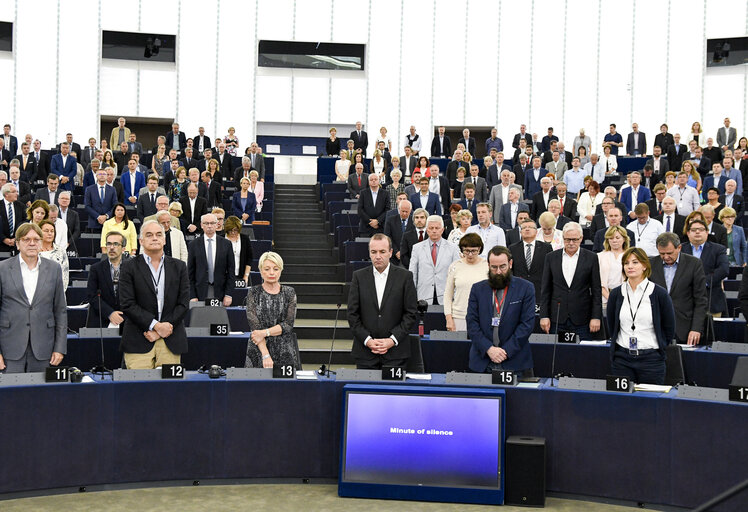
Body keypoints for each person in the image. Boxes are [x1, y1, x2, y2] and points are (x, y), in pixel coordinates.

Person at [119, 220, 189, 369]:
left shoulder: (179, 267)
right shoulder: (128, 267)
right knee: (140, 390)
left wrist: (162, 330)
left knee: (170, 391)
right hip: (139, 339)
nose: (155, 238)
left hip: (171, 340)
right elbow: (127, 304)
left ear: (164, 239)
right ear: (141, 241)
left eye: (159, 234)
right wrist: (156, 325)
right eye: (149, 235)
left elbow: (183, 304)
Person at [0, 223, 66, 372]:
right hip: (10, 347)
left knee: (41, 394)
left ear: (41, 243)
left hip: (44, 348)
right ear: (17, 244)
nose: (31, 243)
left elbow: (60, 310)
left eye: (36, 239)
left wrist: (60, 347)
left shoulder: (54, 269)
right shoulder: (2, 269)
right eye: (26, 239)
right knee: (10, 394)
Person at [347, 233, 417, 369]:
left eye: (382, 252)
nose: (378, 256)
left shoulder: (405, 277)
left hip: (396, 354)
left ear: (390, 252)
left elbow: (410, 314)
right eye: (373, 252)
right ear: (369, 253)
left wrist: (392, 340)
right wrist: (368, 341)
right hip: (365, 353)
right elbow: (352, 314)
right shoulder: (358, 277)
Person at [607, 248, 675, 384]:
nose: (630, 266)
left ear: (644, 266)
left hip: (651, 360)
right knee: (623, 403)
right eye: (626, 263)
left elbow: (669, 328)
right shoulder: (616, 293)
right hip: (622, 360)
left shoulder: (659, 293)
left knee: (650, 403)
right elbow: (612, 324)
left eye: (635, 262)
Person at [466, 245, 536, 376]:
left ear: (510, 264)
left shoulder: (526, 288)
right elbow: (472, 323)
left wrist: (505, 351)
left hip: (514, 361)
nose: (498, 272)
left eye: (502, 266)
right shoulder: (477, 289)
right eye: (494, 267)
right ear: (488, 265)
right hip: (483, 361)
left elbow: (527, 325)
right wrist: (489, 349)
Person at [540, 222, 602, 339]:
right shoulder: (551, 257)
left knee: (582, 355)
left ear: (581, 238)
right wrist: (544, 315)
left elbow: (596, 290)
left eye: (575, 239)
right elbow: (545, 290)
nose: (571, 243)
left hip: (582, 318)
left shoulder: (592, 257)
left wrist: (596, 317)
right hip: (557, 318)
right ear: (563, 238)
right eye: (568, 239)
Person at [649, 232, 707, 345]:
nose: (666, 257)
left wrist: (696, 328)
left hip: (684, 329)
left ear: (679, 248)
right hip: (655, 329)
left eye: (669, 253)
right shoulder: (650, 264)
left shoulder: (694, 264)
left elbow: (701, 300)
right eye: (662, 253)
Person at [244, 251, 300, 369]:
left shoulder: (289, 292)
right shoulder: (253, 293)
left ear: (281, 270)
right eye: (267, 269)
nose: (271, 273)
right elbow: (255, 329)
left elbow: (288, 325)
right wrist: (265, 355)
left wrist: (265, 332)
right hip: (259, 347)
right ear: (260, 271)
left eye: (275, 269)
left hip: (284, 349)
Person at [681, 218, 729, 317]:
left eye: (701, 229)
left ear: (707, 232)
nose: (697, 232)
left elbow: (724, 269)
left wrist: (703, 282)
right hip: (685, 302)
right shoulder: (680, 249)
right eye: (693, 230)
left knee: (713, 331)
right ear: (688, 233)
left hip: (711, 301)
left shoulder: (718, 249)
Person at [409, 215, 460, 305]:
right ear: (427, 229)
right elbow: (413, 273)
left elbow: (457, 274)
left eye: (437, 228)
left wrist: (455, 295)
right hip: (423, 296)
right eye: (431, 228)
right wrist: (413, 295)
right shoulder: (417, 248)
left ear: (442, 229)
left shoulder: (453, 248)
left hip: (446, 296)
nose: (434, 230)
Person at [187, 213, 234, 306]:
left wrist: (228, 294)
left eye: (212, 223)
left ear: (217, 224)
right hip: (200, 291)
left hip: (221, 291)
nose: (209, 226)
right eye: (206, 223)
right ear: (201, 225)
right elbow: (190, 273)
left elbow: (231, 271)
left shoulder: (226, 244)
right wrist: (192, 295)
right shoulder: (193, 244)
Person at [86, 231, 126, 327]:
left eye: (116, 244)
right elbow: (92, 296)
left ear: (123, 248)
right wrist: (110, 313)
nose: (111, 247)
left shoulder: (132, 268)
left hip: (126, 320)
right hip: (101, 319)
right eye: (109, 244)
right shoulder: (96, 268)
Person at [510, 219, 553, 306]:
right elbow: (510, 270)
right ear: (520, 232)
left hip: (540, 291)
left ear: (536, 231)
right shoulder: (512, 248)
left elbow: (550, 270)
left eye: (530, 227)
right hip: (518, 290)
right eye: (524, 228)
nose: (527, 229)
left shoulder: (546, 248)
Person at [598, 226, 630, 312]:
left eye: (617, 237)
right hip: (603, 298)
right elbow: (596, 281)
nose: (614, 240)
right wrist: (609, 297)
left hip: (626, 298)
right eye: (611, 238)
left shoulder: (630, 256)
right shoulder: (600, 256)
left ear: (624, 239)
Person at [38, 219, 69, 291]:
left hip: (56, 294)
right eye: (46, 231)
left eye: (52, 231)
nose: (50, 233)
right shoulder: (33, 251)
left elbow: (65, 275)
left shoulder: (61, 251)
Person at [224, 216, 253, 282]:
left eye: (235, 230)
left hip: (241, 276)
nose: (233, 232)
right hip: (224, 277)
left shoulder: (245, 239)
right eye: (230, 230)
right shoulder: (220, 238)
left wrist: (246, 275)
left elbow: (249, 258)